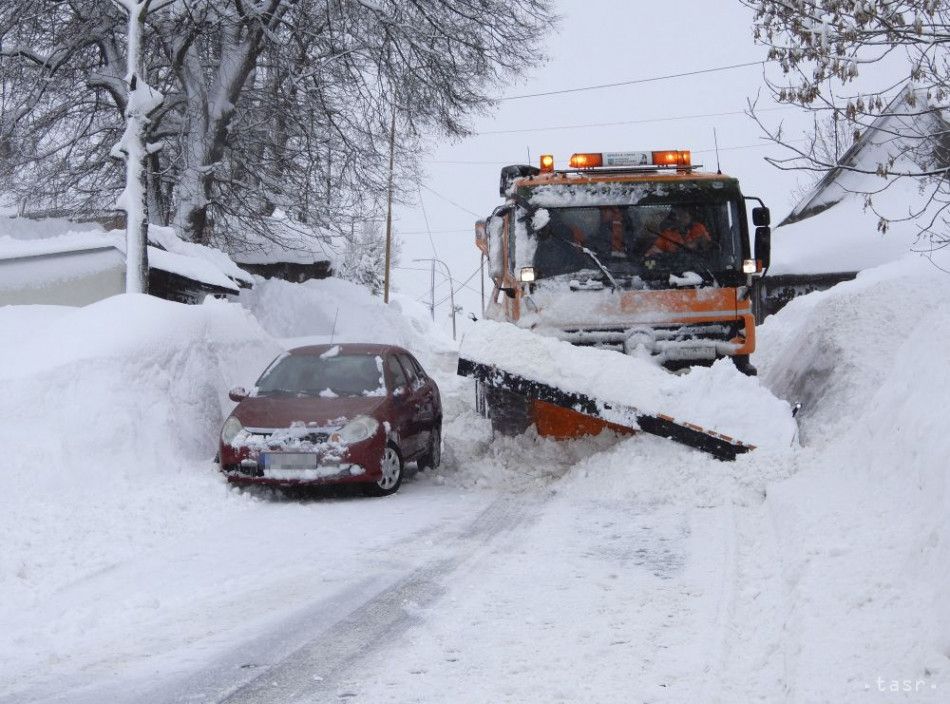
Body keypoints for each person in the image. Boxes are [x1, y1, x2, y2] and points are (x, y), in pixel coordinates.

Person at [646, 205, 712, 256]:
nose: (679, 218)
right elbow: (652, 252)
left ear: (690, 216)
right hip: (675, 269)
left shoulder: (699, 228)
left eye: (682, 215)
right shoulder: (667, 234)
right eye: (676, 215)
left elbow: (709, 247)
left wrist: (696, 243)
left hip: (699, 269)